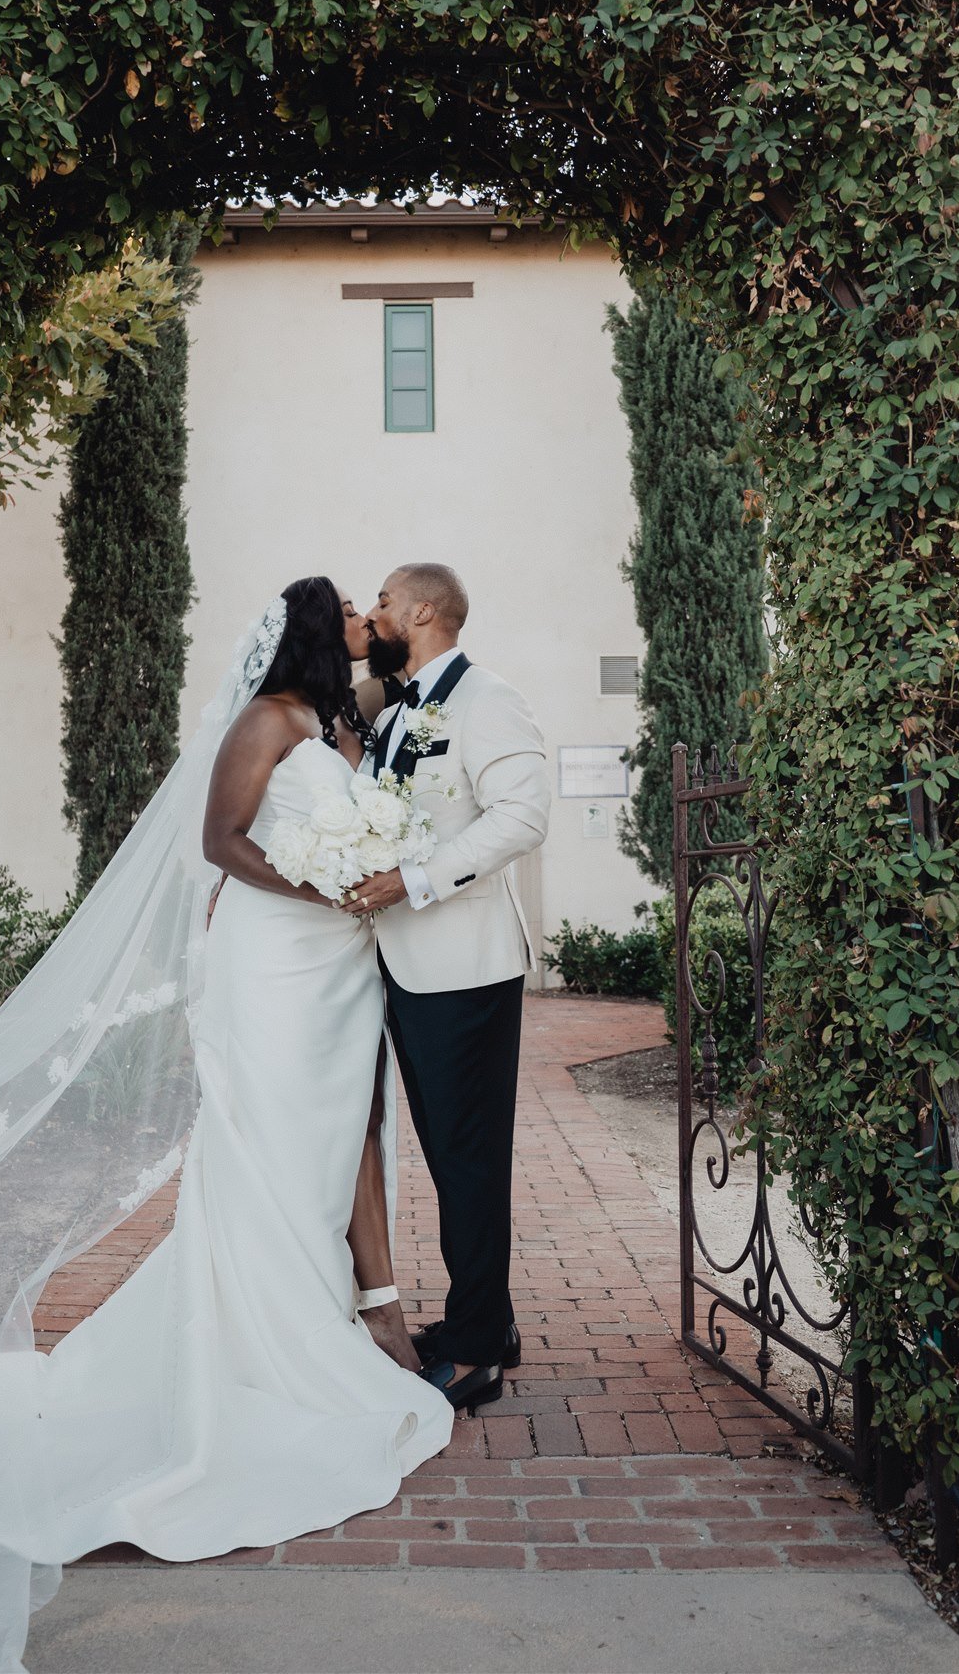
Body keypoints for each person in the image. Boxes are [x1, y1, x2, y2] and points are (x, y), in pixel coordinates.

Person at [0, 579, 451, 1674]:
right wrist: (321, 885)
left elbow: (393, 702)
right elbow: (220, 839)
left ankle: (342, 1312)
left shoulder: (334, 717)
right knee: (260, 1148)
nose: (365, 615)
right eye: (350, 606)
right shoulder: (265, 720)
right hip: (276, 962)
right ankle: (265, 1353)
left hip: (338, 977)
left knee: (329, 1140)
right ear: (315, 626)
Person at [346, 564, 552, 1415]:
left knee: (467, 1161)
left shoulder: (486, 699)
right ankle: (487, 1321)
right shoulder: (395, 708)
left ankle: (474, 1353)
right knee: (447, 1158)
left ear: (424, 610)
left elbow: (521, 817)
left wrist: (416, 880)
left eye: (385, 600)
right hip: (399, 968)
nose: (376, 611)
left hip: (464, 967)